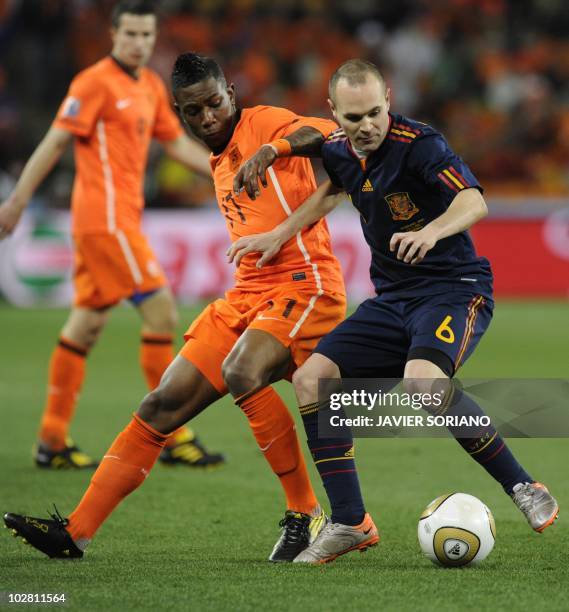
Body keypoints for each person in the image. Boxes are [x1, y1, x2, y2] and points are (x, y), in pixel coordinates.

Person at [3, 51, 350, 562]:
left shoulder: (262, 122)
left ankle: (305, 513)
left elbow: (333, 134)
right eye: (193, 111)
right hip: (248, 295)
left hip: (306, 285)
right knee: (160, 405)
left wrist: (273, 150)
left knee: (243, 371)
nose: (207, 117)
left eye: (214, 103)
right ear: (180, 112)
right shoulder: (215, 156)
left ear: (231, 92)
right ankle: (73, 534)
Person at [229, 58, 559, 564]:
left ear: (388, 98)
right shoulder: (341, 151)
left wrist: (431, 231)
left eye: (375, 113)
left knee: (424, 386)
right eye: (354, 117)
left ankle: (523, 487)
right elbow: (330, 192)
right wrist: (278, 233)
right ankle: (349, 523)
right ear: (333, 112)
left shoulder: (421, 144)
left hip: (453, 288)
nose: (367, 127)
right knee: (312, 377)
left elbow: (474, 201)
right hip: (392, 299)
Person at [0, 1, 224, 469]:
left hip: (118, 221)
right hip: (106, 222)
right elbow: (56, 140)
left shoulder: (147, 87)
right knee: (162, 313)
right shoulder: (94, 82)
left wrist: (225, 167)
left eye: (147, 35)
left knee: (86, 324)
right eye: (131, 35)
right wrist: (18, 199)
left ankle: (51, 440)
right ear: (113, 35)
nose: (139, 44)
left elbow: (175, 143)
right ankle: (174, 435)